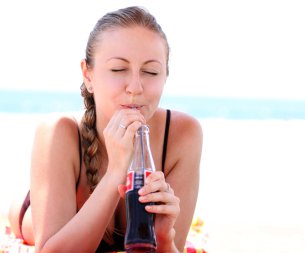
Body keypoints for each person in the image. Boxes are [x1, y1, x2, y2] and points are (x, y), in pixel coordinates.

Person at [7, 6, 203, 253]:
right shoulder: (58, 131)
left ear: (165, 75)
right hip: (38, 209)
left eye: (151, 71)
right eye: (118, 69)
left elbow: (171, 246)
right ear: (88, 75)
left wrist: (164, 239)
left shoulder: (183, 133)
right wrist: (116, 171)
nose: (135, 87)